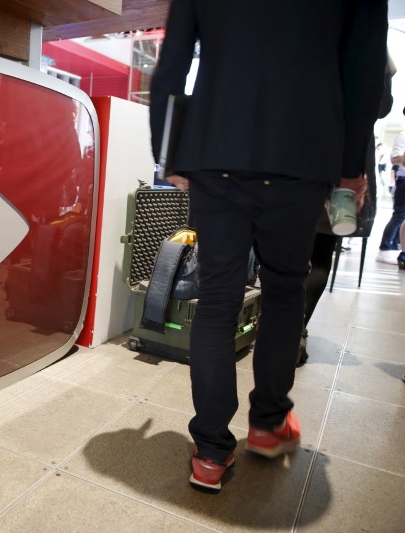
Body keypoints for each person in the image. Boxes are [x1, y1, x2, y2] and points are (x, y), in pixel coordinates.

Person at [149, 0, 388, 492]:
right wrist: (350, 167)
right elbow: (362, 69)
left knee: (217, 299)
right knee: (283, 291)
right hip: (302, 152)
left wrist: (166, 152)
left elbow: (171, 61)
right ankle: (268, 424)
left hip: (215, 151)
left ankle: (210, 453)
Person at [300, 56, 395, 366]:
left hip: (299, 149)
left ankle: (280, 328)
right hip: (346, 158)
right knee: (321, 250)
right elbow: (381, 106)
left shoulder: (310, 29)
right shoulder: (371, 41)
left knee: (284, 246)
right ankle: (294, 333)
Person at [378, 121, 405, 264]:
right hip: (403, 179)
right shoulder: (403, 135)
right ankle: (384, 249)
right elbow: (394, 158)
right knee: (399, 216)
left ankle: (396, 247)